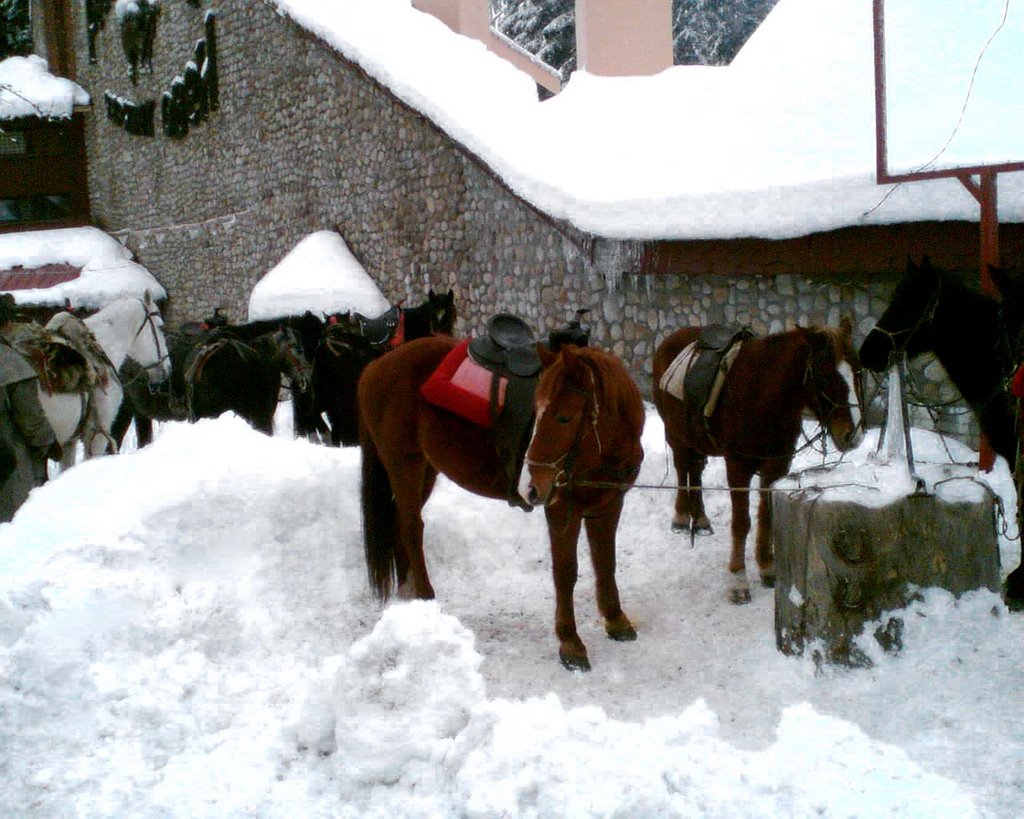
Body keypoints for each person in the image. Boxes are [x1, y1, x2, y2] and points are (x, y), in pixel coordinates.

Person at [1, 293, 57, 522]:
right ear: (7, 324)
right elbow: (32, 421)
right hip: (7, 465)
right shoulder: (11, 365)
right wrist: (49, 443)